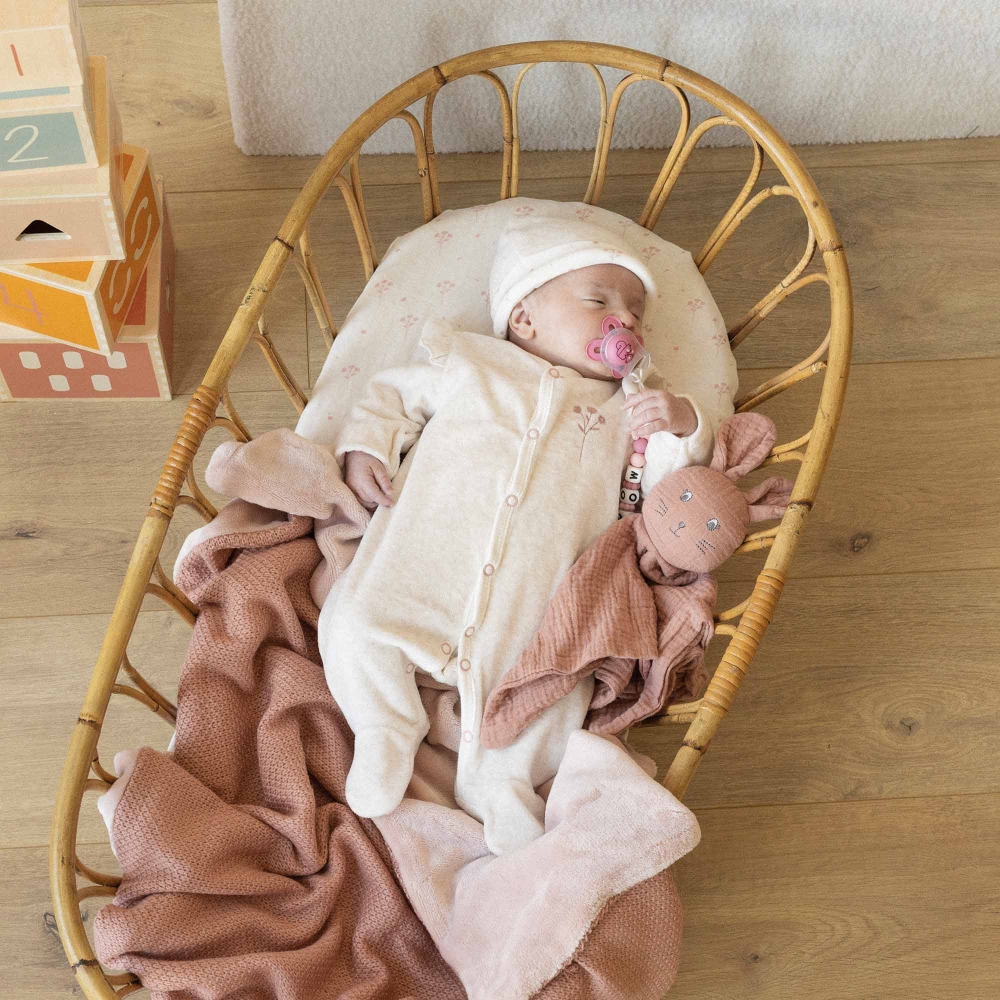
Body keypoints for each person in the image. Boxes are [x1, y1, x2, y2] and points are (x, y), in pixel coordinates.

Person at [318, 211, 715, 855]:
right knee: (353, 623)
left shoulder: (625, 412)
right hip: (426, 553)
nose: (626, 322)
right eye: (599, 301)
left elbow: (668, 488)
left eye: (636, 313)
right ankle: (383, 724)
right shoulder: (473, 362)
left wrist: (681, 421)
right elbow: (391, 396)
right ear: (524, 317)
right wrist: (366, 446)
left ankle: (503, 784)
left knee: (552, 685)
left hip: (539, 588)